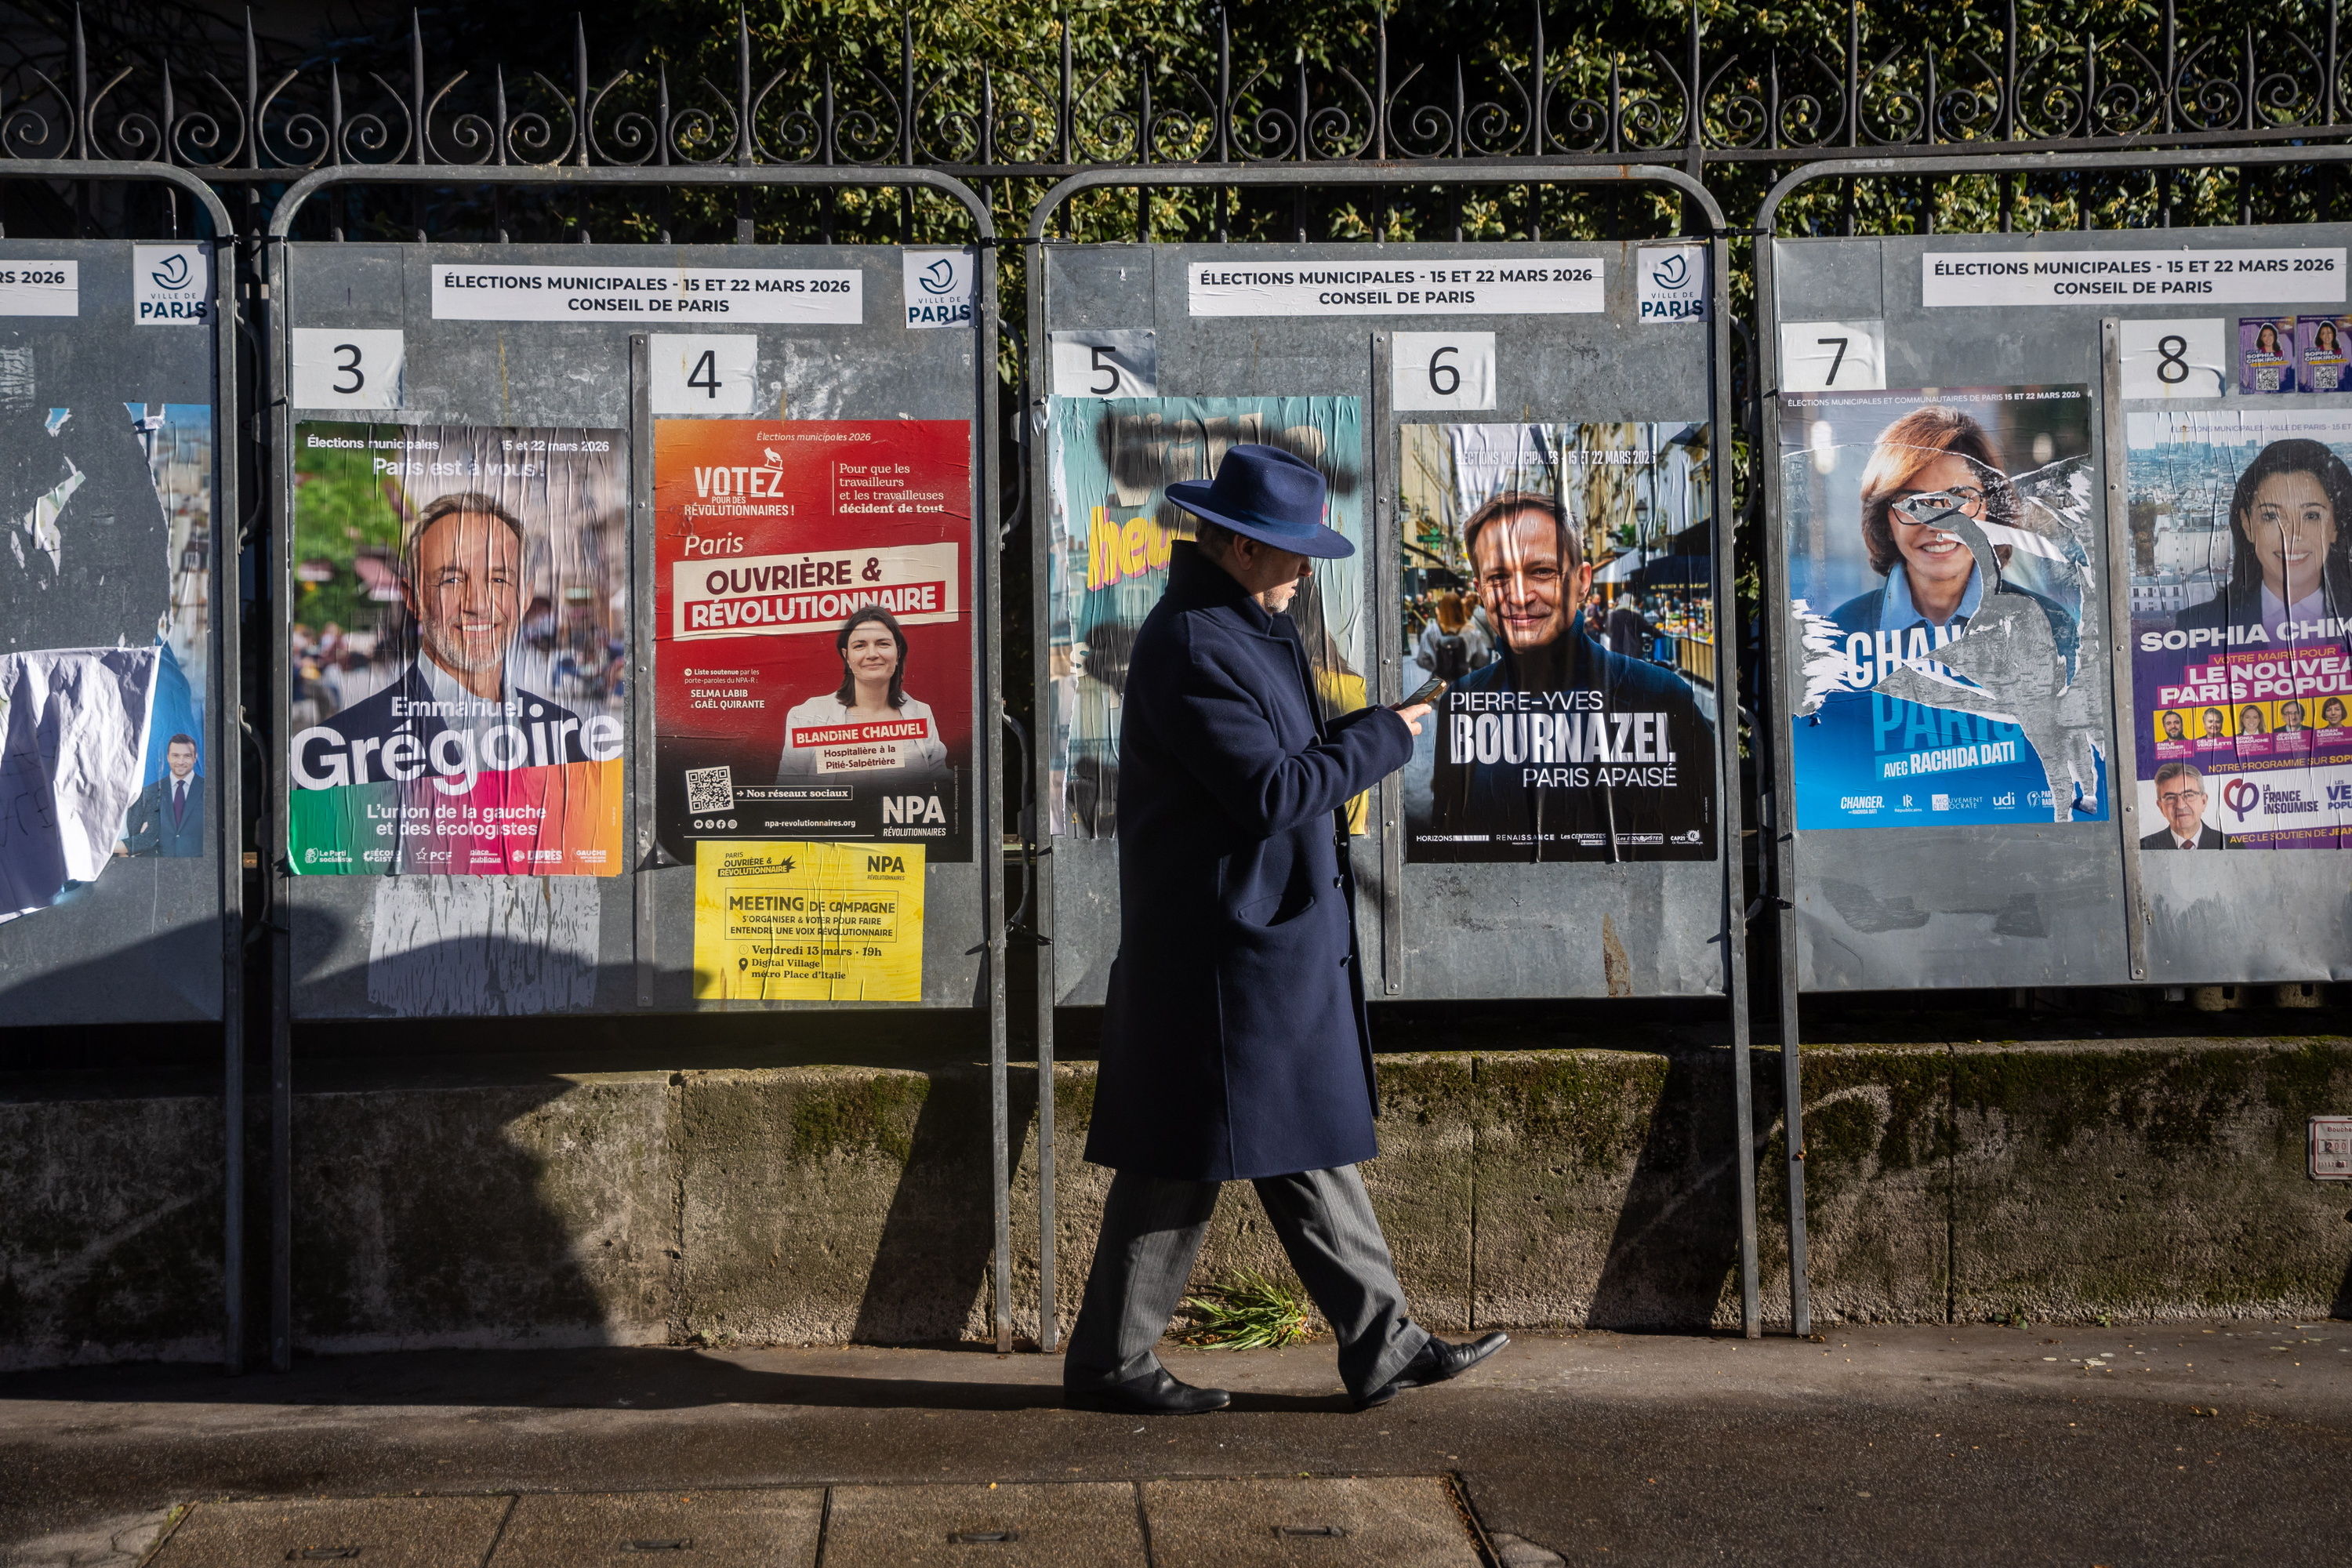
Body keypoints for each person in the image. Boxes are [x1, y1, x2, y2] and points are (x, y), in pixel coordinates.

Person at [1067, 444, 1508, 1417]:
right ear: (1232, 542)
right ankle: (1115, 1361)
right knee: (1195, 1154)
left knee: (1272, 1141)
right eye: (1289, 547)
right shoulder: (1196, 644)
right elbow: (1271, 789)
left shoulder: (1236, 626)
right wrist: (1385, 732)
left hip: (1243, 941)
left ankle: (1378, 1342)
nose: (1308, 564)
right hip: (1223, 954)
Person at [1421, 491, 1713, 858]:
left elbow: (1702, 852)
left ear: (1582, 581)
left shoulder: (1661, 697)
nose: (1519, 596)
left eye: (1541, 571)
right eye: (1497, 577)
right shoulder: (1461, 705)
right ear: (1480, 590)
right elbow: (1450, 845)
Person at [296, 492, 594, 779]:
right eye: (451, 580)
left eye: (499, 580)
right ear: (413, 599)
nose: (477, 604)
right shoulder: (343, 748)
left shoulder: (565, 736)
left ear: (525, 598)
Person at [1826, 406, 2074, 664]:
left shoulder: (2051, 629)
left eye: (1960, 498)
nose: (1939, 524)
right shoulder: (1839, 637)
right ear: (1886, 519)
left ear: (1992, 511)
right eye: (1915, 502)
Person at [2173, 439, 2352, 641]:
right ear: (2248, 526)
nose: (2292, 535)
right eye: (2271, 516)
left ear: (2336, 526)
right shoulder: (2196, 626)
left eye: (2311, 516)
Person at [776, 606, 947, 779]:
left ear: (898, 653)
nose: (872, 654)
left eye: (883, 644)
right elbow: (789, 795)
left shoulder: (922, 714)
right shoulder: (807, 716)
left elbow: (941, 788)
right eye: (860, 646)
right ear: (847, 657)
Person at [116, 734, 203, 858]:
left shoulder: (208, 790)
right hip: (158, 867)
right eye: (175, 756)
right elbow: (143, 837)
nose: (180, 762)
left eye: (187, 756)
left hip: (198, 867)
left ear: (195, 757)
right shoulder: (150, 792)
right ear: (168, 757)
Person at [2140, 760, 2230, 849]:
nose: (2180, 805)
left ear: (2203, 801)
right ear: (2161, 807)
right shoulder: (2144, 847)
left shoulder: (2230, 846)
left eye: (2189, 795)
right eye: (2170, 797)